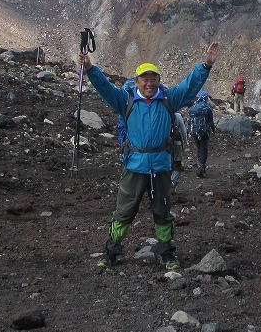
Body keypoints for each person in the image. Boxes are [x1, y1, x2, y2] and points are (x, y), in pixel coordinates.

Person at [79, 42, 219, 270]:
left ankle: (166, 252)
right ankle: (111, 251)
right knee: (124, 212)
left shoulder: (168, 99)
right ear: (137, 82)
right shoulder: (125, 100)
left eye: (153, 78)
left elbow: (190, 86)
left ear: (159, 80)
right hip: (135, 165)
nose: (149, 82)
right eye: (144, 78)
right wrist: (91, 68)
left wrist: (206, 65)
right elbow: (105, 88)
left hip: (161, 166)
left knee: (163, 212)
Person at [186, 91, 215, 177]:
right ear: (206, 98)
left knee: (199, 148)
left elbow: (189, 121)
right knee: (204, 149)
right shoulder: (207, 108)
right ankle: (201, 169)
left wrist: (188, 131)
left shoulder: (193, 108)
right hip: (204, 132)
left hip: (194, 132)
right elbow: (210, 121)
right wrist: (213, 130)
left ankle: (200, 165)